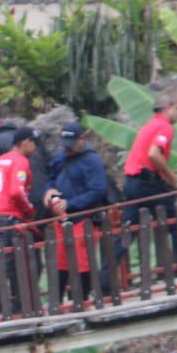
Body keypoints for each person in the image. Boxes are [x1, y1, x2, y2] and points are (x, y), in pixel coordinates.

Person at [119, 96, 177, 288]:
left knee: (125, 233)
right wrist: (171, 178)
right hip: (147, 184)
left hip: (132, 183)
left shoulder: (149, 125)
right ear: (169, 107)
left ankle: (105, 282)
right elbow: (154, 154)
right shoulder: (165, 127)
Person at [45, 121, 109, 303]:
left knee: (82, 260)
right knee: (60, 260)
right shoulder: (60, 157)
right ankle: (56, 301)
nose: (68, 148)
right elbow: (50, 177)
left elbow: (98, 191)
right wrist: (49, 190)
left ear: (81, 139)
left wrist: (70, 203)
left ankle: (81, 299)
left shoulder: (92, 161)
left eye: (71, 144)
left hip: (83, 217)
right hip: (61, 218)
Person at [0, 127, 39, 310]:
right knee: (3, 264)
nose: (36, 147)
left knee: (9, 261)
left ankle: (19, 303)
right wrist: (29, 209)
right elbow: (17, 191)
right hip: (8, 216)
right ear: (25, 142)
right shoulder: (20, 161)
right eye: (34, 143)